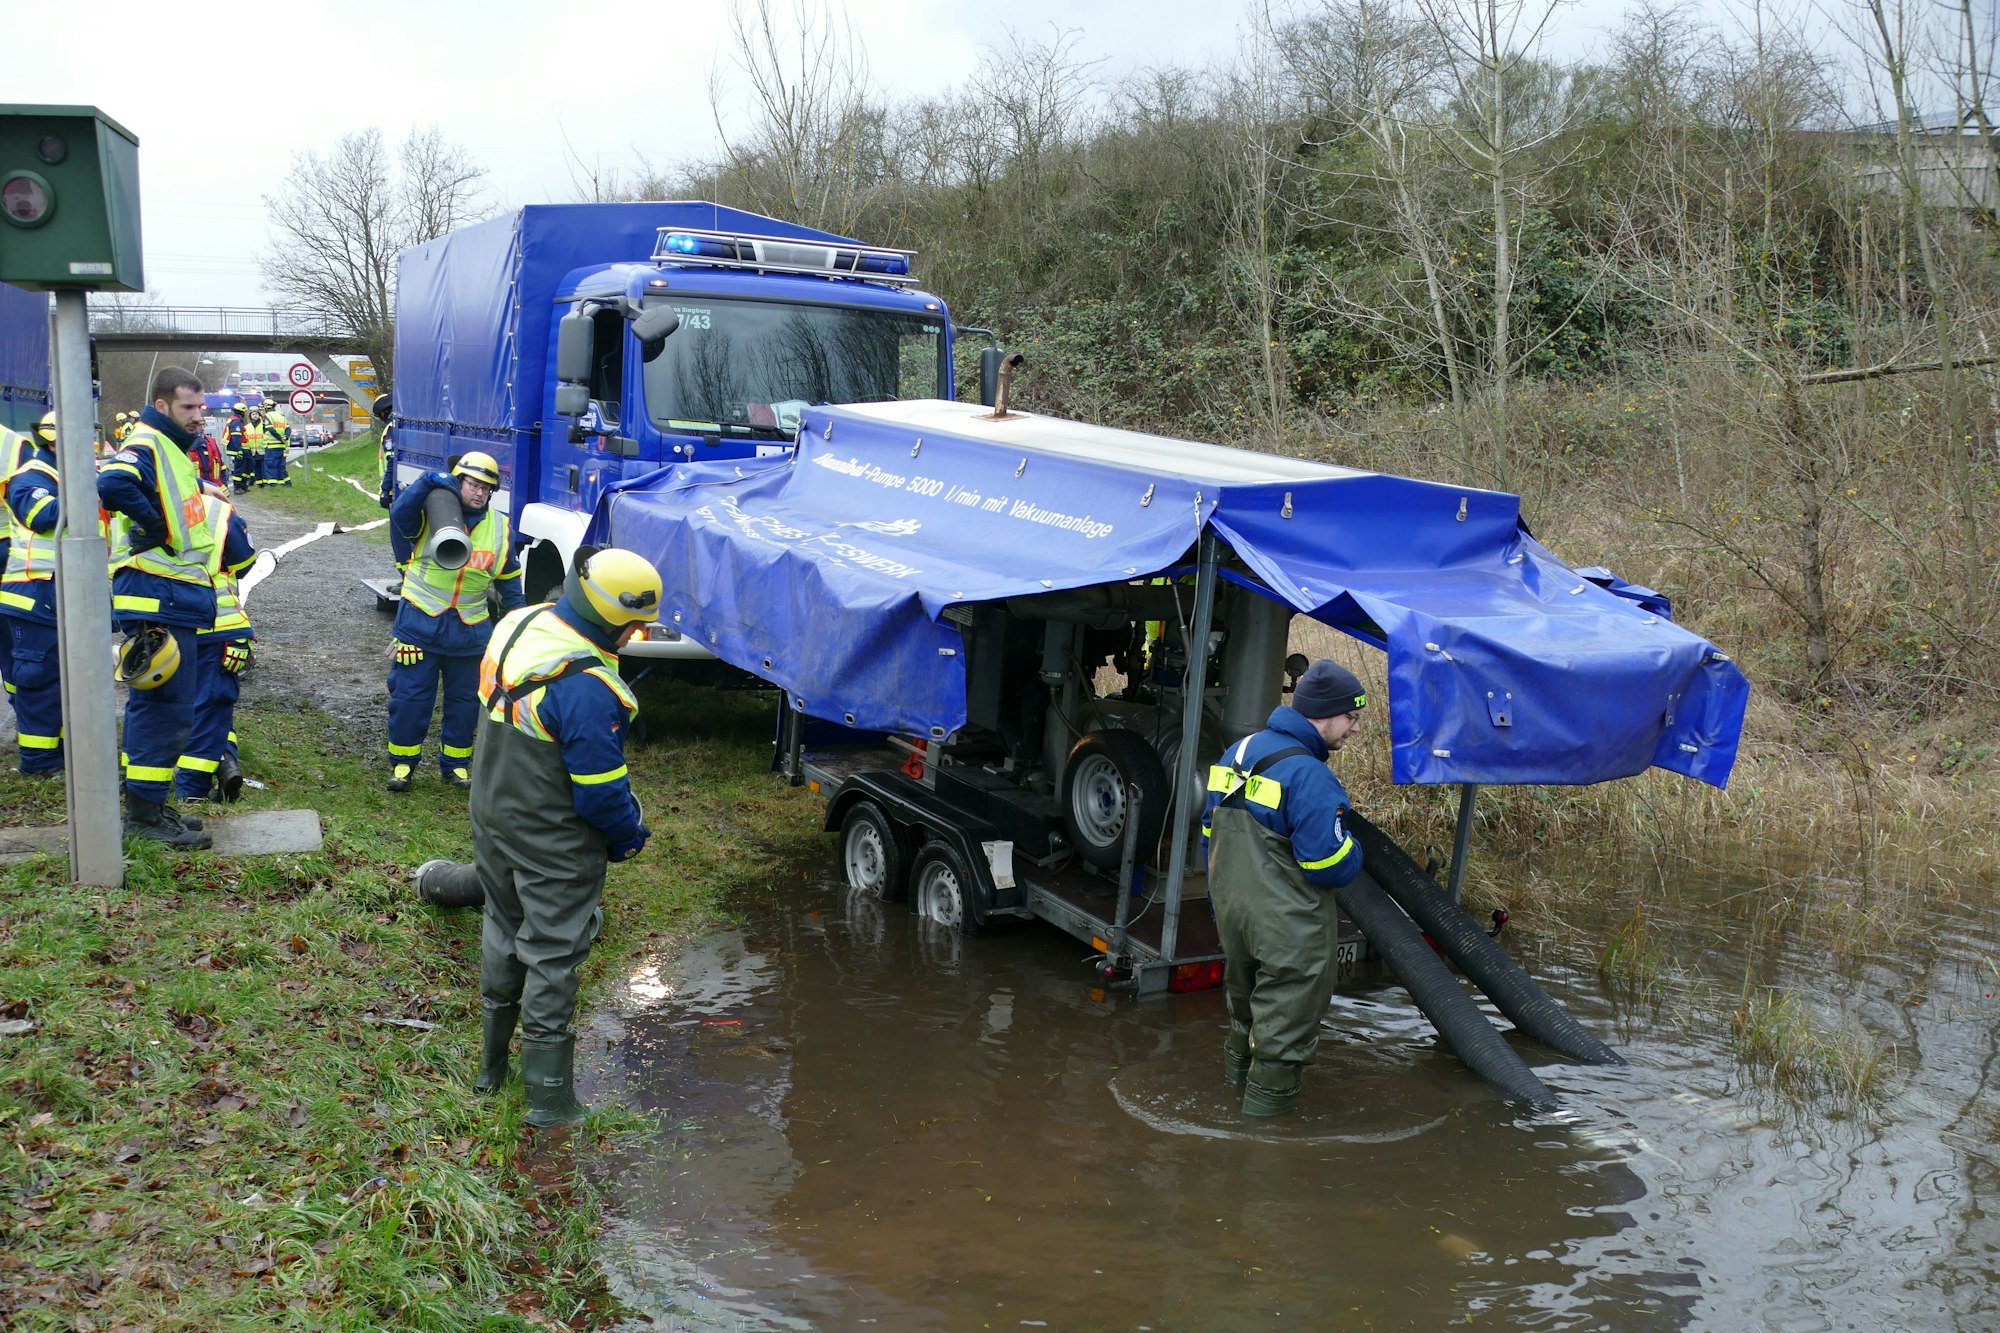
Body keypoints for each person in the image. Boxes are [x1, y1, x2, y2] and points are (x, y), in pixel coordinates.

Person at [465, 548, 659, 1126]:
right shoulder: (589, 687)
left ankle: (491, 1070)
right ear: (611, 620)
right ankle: (549, 1101)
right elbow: (600, 795)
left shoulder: (518, 622)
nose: (635, 636)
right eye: (634, 626)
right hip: (552, 838)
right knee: (552, 954)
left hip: (493, 810)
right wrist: (629, 837)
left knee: (502, 924)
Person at [1201, 658, 1369, 1117]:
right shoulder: (1311, 776)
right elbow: (1327, 865)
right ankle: (1263, 1148)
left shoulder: (1239, 750)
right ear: (1326, 714)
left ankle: (1230, 1103)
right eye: (1352, 718)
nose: (1355, 729)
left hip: (1234, 915)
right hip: (1289, 930)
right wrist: (1356, 848)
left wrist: (1222, 903)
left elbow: (1209, 832)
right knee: (1282, 1037)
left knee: (1244, 1016)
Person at [97, 366, 221, 849]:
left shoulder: (173, 449)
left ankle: (150, 804)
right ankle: (144, 817)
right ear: (164, 404)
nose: (197, 418)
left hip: (171, 592)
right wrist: (153, 525)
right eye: (189, 408)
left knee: (172, 706)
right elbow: (113, 483)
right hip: (156, 591)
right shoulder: (148, 442)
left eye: (201, 409)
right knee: (163, 706)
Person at [384, 450, 523, 791]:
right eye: (472, 484)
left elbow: (510, 585)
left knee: (464, 703)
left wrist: (517, 630)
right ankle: (403, 765)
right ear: (457, 482)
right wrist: (426, 482)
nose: (479, 492)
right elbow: (399, 515)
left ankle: (456, 765)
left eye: (486, 488)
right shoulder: (431, 515)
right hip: (419, 625)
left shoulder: (501, 529)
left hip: (470, 633)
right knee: (410, 699)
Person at [174, 493, 256, 804]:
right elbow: (245, 563)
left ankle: (224, 763)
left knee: (170, 704)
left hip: (161, 621)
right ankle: (192, 788)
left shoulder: (135, 498)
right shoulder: (215, 509)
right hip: (218, 625)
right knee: (211, 707)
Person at [0, 415, 60, 775]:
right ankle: (39, 762)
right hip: (33, 590)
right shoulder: (32, 477)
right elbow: (43, 515)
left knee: (52, 675)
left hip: (51, 590)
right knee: (35, 676)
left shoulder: (56, 473)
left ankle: (55, 749)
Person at [224, 402, 254, 493]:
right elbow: (236, 437)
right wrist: (239, 450)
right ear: (242, 412)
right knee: (240, 468)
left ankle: (243, 485)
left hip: (244, 448)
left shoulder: (236, 420)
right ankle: (237, 487)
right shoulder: (236, 421)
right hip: (240, 449)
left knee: (249, 466)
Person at [258, 410, 291, 487]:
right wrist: (284, 438)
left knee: (270, 465)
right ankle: (283, 484)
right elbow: (288, 430)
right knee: (280, 466)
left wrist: (280, 438)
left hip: (271, 446)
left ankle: (273, 485)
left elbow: (270, 430)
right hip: (281, 446)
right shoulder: (282, 417)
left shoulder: (268, 416)